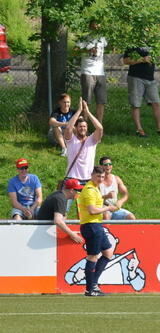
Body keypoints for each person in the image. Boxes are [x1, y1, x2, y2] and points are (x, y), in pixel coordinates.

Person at [78, 166, 119, 296]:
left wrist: (106, 198)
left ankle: (94, 284)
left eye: (102, 177)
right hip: (91, 225)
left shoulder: (95, 188)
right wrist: (108, 208)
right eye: (98, 176)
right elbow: (92, 210)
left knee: (108, 253)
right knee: (93, 256)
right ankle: (90, 289)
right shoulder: (89, 190)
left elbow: (97, 203)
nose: (100, 179)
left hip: (96, 225)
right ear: (92, 175)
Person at [123, 46, 160, 137]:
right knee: (136, 104)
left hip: (150, 79)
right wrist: (142, 59)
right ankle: (139, 130)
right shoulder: (133, 43)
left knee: (156, 103)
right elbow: (125, 61)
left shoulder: (154, 42)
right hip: (136, 78)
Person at [76, 20, 108, 123]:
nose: (96, 28)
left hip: (100, 73)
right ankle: (83, 127)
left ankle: (99, 127)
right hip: (88, 72)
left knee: (101, 101)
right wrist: (88, 50)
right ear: (90, 27)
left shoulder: (103, 39)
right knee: (86, 101)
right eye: (94, 26)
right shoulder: (85, 38)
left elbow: (110, 47)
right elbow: (75, 50)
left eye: (98, 25)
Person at [64, 98, 102, 184]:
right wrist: (79, 111)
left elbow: (100, 128)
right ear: (76, 128)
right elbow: (68, 128)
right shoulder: (71, 140)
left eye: (84, 126)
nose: (82, 128)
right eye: (80, 126)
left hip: (88, 179)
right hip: (72, 177)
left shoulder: (92, 140)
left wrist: (87, 112)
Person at [36, 178, 84, 244]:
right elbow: (58, 221)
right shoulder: (60, 199)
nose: (79, 193)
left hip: (44, 228)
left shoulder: (60, 195)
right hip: (42, 231)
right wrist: (73, 235)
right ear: (72, 190)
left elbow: (62, 219)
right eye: (78, 191)